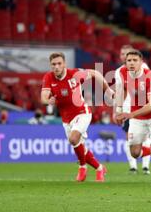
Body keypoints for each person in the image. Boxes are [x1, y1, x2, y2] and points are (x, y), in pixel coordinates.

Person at [41, 52, 114, 182]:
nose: (56, 67)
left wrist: (107, 90)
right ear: (50, 65)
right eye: (53, 64)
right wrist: (48, 100)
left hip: (82, 112)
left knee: (73, 139)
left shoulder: (75, 74)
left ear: (64, 64)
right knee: (79, 146)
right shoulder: (48, 77)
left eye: (59, 63)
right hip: (66, 118)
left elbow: (95, 73)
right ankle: (99, 168)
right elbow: (43, 97)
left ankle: (82, 167)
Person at [114, 50, 151, 182]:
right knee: (134, 153)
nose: (132, 63)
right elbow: (121, 90)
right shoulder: (122, 73)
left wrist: (130, 114)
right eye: (129, 61)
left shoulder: (149, 76)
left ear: (141, 63)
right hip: (137, 119)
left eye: (135, 60)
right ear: (125, 63)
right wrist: (119, 110)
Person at [114, 45, 151, 175]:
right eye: (123, 53)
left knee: (144, 138)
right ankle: (133, 166)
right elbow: (120, 91)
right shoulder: (119, 72)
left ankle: (146, 166)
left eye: (127, 54)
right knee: (129, 138)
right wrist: (117, 111)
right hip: (126, 109)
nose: (125, 56)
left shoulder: (144, 68)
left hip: (141, 109)